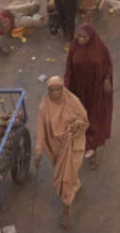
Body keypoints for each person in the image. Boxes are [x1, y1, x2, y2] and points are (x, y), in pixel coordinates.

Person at [35, 76, 89, 229]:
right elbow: (41, 132)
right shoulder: (44, 108)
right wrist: (38, 152)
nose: (56, 93)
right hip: (56, 148)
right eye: (52, 90)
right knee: (66, 175)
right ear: (48, 91)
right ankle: (74, 185)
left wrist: (78, 124)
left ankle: (66, 209)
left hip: (73, 144)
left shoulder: (72, 101)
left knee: (65, 179)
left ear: (63, 89)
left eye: (58, 89)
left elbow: (84, 119)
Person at [65, 22, 114, 170]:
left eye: (84, 37)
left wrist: (107, 80)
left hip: (96, 92)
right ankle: (85, 145)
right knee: (81, 118)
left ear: (90, 37)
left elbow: (108, 66)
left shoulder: (99, 49)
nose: (80, 39)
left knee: (94, 119)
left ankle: (92, 150)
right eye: (79, 36)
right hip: (79, 90)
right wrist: (66, 89)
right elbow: (69, 69)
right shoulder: (74, 48)